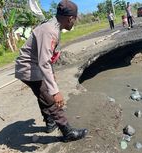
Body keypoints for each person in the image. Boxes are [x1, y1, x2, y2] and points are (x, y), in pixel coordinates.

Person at [15, 0, 88, 142]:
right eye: (75, 19)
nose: (74, 23)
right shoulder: (50, 30)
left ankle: (50, 122)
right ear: (70, 18)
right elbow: (43, 62)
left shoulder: (53, 26)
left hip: (31, 66)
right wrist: (55, 91)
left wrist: (52, 76)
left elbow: (47, 57)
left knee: (42, 93)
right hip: (29, 67)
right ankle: (67, 132)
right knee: (50, 98)